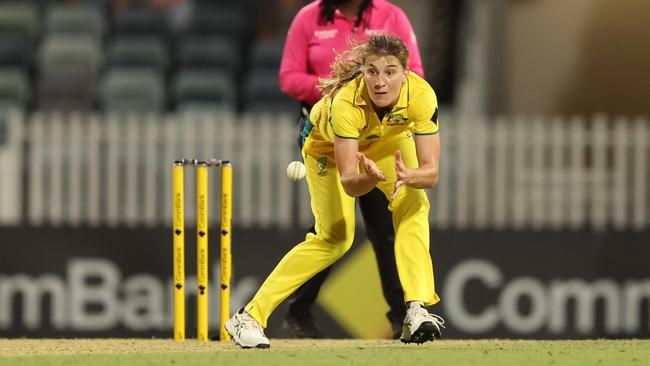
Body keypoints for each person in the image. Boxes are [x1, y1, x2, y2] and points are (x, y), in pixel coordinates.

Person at [225, 34, 444, 349]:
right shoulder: (345, 103)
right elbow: (350, 182)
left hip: (387, 142)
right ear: (363, 72)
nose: (380, 81)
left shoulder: (422, 96)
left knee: (415, 204)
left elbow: (431, 172)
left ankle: (415, 309)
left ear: (406, 73)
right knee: (335, 239)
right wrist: (370, 179)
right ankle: (248, 316)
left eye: (390, 71)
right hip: (325, 149)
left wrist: (411, 176)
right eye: (372, 71)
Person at [279, 0, 425, 339]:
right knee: (331, 230)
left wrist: (374, 94)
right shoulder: (308, 18)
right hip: (325, 135)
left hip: (379, 137)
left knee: (385, 227)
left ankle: (400, 315)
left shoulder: (391, 16)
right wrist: (340, 91)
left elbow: (414, 72)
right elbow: (288, 77)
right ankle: (299, 311)